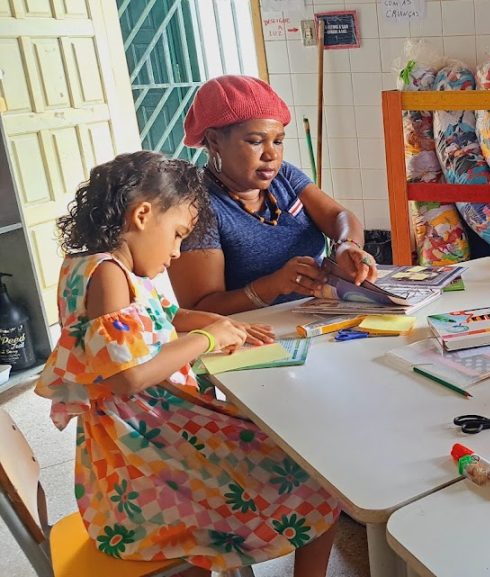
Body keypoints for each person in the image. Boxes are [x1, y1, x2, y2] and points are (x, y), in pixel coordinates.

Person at [35, 151, 340, 577]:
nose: (178, 252)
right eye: (178, 235)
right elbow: (128, 376)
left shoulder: (89, 265)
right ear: (143, 215)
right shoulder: (108, 275)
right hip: (143, 457)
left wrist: (220, 323)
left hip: (141, 440)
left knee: (282, 451)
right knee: (314, 483)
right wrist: (207, 339)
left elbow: (162, 316)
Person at [169, 75, 376, 314]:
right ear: (214, 141)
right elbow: (200, 309)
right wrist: (273, 286)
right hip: (255, 331)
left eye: (278, 141)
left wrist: (347, 246)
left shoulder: (283, 176)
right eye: (255, 142)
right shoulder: (196, 205)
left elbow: (338, 216)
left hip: (316, 314)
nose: (271, 155)